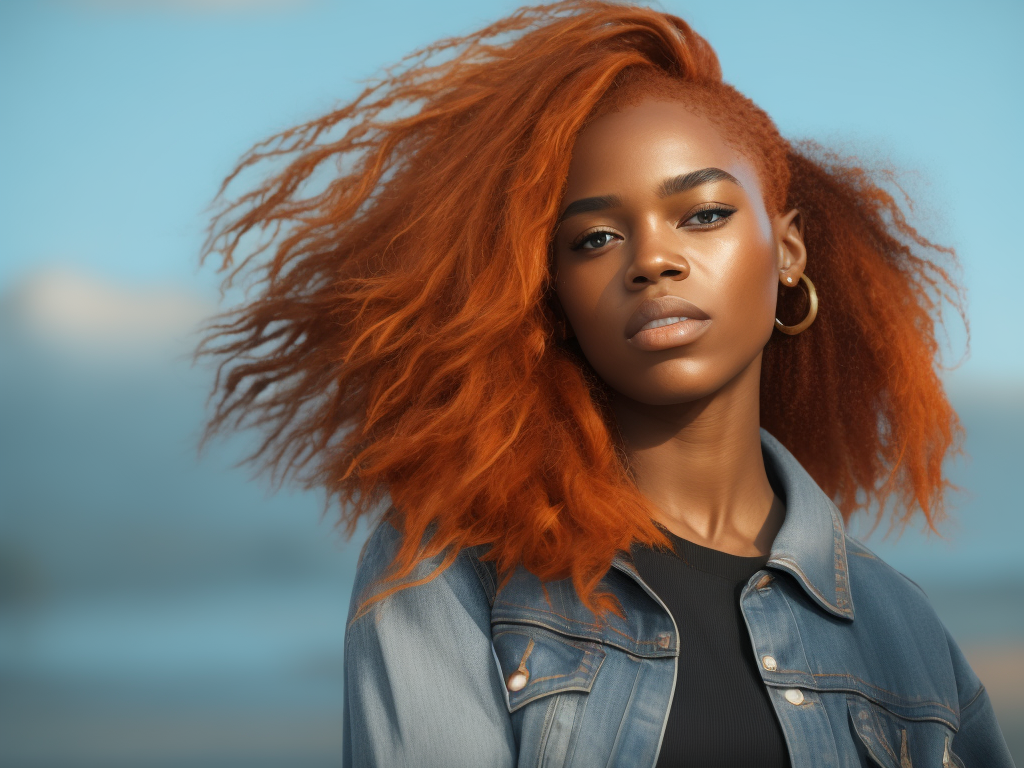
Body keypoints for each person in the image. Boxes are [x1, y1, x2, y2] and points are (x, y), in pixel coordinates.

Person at [197, 2, 1015, 766]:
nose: (651, 259)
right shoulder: (452, 567)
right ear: (553, 289)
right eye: (594, 237)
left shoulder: (902, 633)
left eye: (703, 215)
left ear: (789, 251)